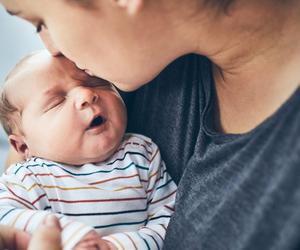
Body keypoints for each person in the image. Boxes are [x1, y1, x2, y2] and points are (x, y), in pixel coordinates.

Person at [0, 0, 300, 249]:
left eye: (42, 22)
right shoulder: (130, 63)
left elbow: (164, 218)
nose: (52, 51)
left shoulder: (135, 139)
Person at [0, 51, 177, 250]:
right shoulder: (28, 178)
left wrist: (115, 246)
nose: (87, 95)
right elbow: (4, 217)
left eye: (96, 83)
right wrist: (70, 235)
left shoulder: (142, 154)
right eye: (57, 101)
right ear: (23, 146)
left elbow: (171, 218)